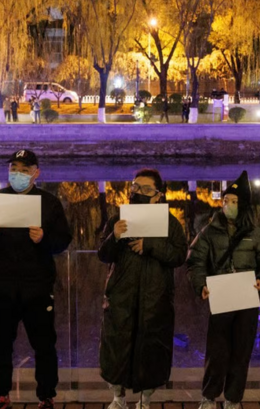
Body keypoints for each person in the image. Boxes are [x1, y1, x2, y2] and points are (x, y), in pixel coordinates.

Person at [0, 150, 72, 409]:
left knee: (45, 344)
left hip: (37, 286)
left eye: (24, 169)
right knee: (0, 343)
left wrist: (43, 239)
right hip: (1, 286)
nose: (18, 174)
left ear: (36, 172)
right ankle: (0, 394)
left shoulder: (49, 202)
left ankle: (47, 395)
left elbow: (63, 242)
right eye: (14, 168)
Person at [187, 171, 260, 409]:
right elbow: (195, 261)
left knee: (241, 351)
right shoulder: (209, 232)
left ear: (244, 205)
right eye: (227, 200)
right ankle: (208, 398)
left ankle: (233, 399)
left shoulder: (255, 234)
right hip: (220, 298)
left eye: (235, 201)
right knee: (216, 352)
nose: (229, 205)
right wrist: (201, 285)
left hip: (247, 299)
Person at [98, 169, 188, 409]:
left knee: (151, 350)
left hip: (155, 299)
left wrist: (151, 246)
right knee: (117, 347)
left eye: (146, 189)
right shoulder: (118, 217)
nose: (138, 192)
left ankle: (145, 400)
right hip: (121, 298)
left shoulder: (170, 222)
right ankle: (118, 398)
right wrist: (114, 236)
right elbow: (103, 255)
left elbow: (180, 254)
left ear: (158, 195)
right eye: (135, 187)